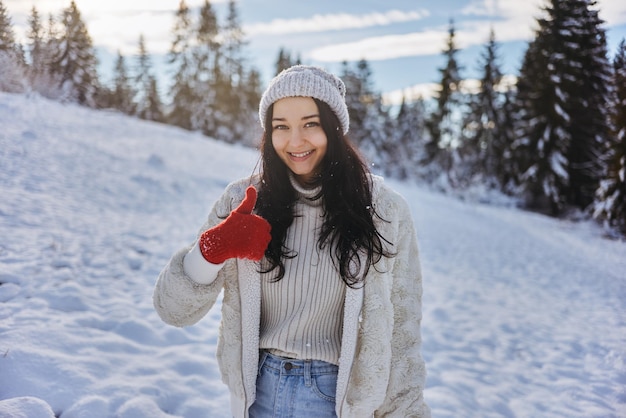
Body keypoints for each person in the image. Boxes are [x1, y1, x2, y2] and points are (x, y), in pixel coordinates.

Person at [153, 65, 430, 418]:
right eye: (281, 126)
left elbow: (403, 331)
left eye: (310, 124)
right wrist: (211, 250)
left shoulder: (383, 210)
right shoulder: (244, 200)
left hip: (336, 399)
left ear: (334, 128)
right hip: (259, 393)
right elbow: (172, 310)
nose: (295, 141)